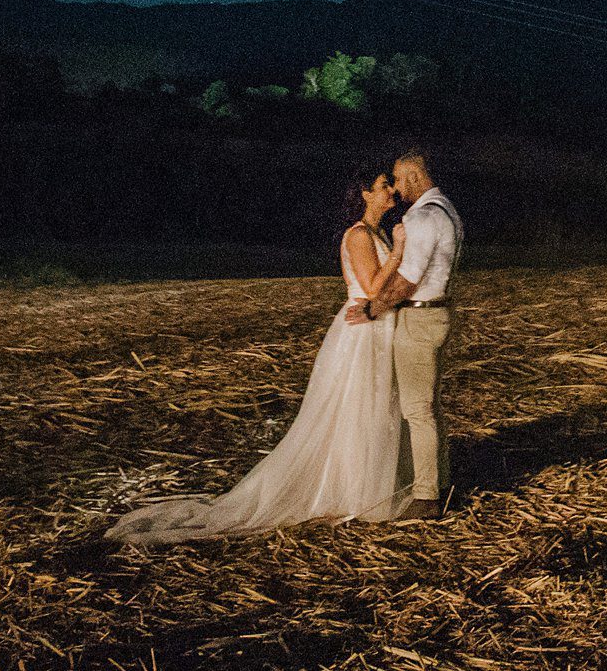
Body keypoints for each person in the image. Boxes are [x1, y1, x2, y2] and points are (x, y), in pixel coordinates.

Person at [107, 166, 416, 544]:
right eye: (385, 186)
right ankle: (352, 491)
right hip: (362, 331)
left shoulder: (378, 232)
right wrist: (399, 252)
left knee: (376, 407)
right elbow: (370, 287)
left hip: (378, 329)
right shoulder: (358, 235)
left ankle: (364, 485)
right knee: (356, 408)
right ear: (366, 193)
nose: (392, 192)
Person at [347, 146, 463, 518]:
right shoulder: (447, 210)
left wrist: (372, 309)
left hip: (417, 319)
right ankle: (440, 483)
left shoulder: (423, 217)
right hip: (437, 313)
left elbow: (406, 282)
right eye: (388, 183)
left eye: (397, 179)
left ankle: (427, 496)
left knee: (418, 410)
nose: (397, 188)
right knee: (431, 406)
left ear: (414, 176)